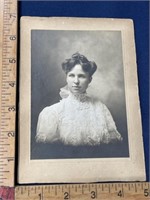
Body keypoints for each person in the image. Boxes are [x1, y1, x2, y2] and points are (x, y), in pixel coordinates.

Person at [36, 52, 123, 145]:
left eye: (81, 76)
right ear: (66, 78)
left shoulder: (100, 109)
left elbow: (112, 147)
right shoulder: (53, 112)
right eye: (71, 75)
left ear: (89, 80)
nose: (76, 81)